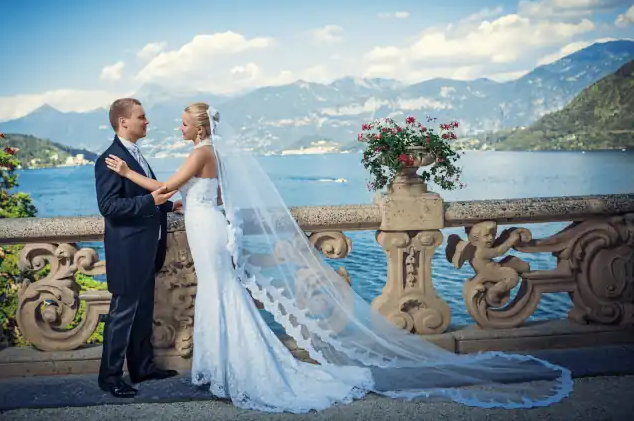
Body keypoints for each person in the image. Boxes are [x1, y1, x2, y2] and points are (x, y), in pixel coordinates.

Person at [103, 102, 573, 412]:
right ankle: (223, 367)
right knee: (220, 293)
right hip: (206, 223)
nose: (176, 127)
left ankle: (231, 369)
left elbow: (164, 189)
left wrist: (128, 171)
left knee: (221, 293)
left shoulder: (202, 152)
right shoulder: (211, 154)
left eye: (183, 122)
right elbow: (198, 194)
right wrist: (186, 201)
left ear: (199, 127)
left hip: (207, 229)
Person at [94, 98, 182, 398]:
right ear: (124, 122)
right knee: (122, 315)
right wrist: (151, 202)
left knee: (142, 311)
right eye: (142, 117)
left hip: (147, 248)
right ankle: (109, 377)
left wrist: (171, 205)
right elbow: (109, 206)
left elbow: (144, 192)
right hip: (128, 250)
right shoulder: (108, 159)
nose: (147, 122)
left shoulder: (135, 156)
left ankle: (142, 367)